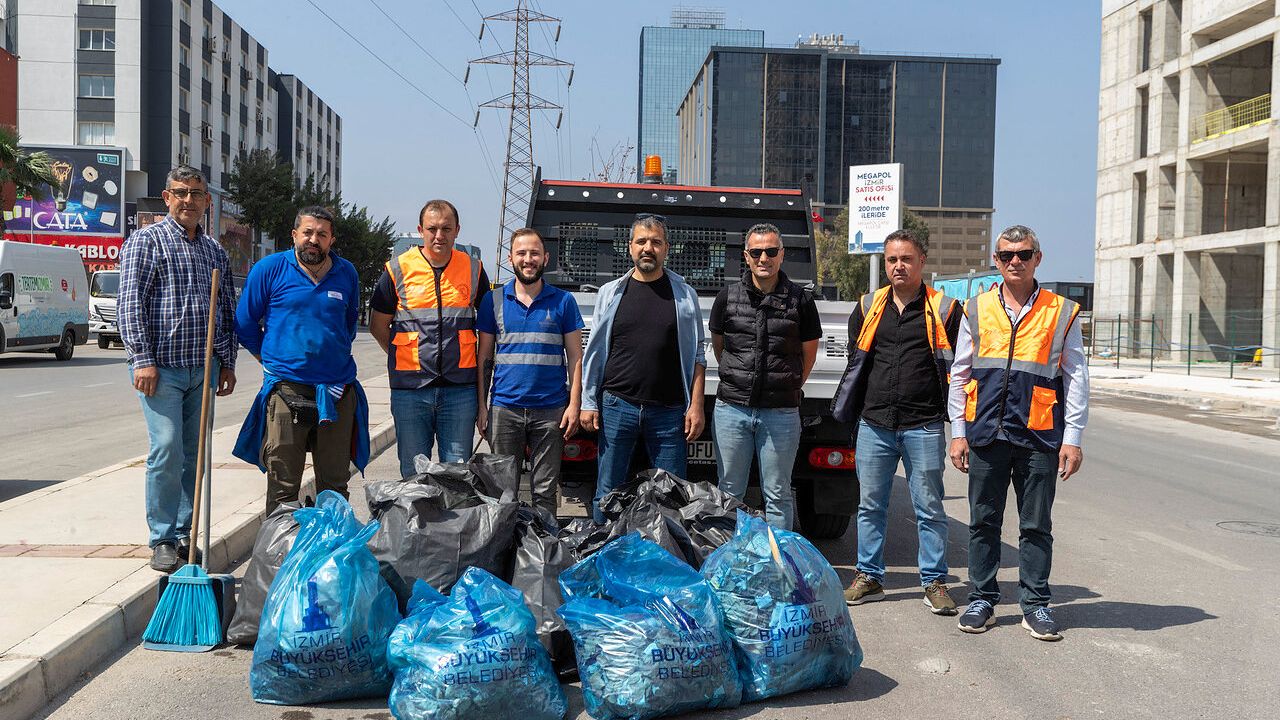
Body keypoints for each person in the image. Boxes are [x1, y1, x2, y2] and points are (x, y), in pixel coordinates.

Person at [948, 224, 1088, 641]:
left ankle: (1035, 605)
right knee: (983, 522)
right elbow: (960, 373)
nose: (1015, 261)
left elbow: (1076, 376)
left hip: (1040, 436)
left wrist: (1073, 438)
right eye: (1007, 254)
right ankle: (982, 599)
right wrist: (958, 431)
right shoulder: (975, 308)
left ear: (1037, 259)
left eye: (1023, 254)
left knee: (1036, 525)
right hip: (987, 431)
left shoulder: (1061, 311)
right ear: (996, 259)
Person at [830, 229, 962, 614]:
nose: (898, 266)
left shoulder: (946, 309)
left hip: (923, 425)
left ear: (922, 261)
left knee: (929, 508)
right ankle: (869, 577)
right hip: (875, 423)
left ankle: (934, 582)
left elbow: (961, 367)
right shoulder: (869, 304)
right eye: (892, 259)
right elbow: (858, 361)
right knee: (870, 506)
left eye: (906, 259)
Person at [118, 165, 237, 573]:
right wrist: (142, 359)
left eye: (196, 193)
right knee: (166, 449)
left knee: (195, 455)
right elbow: (130, 303)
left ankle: (187, 533)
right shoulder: (145, 242)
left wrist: (228, 362)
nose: (189, 200)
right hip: (162, 371)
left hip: (203, 368)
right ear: (167, 197)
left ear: (207, 201)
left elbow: (225, 311)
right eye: (181, 192)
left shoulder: (215, 252)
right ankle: (162, 538)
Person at [232, 206, 370, 513]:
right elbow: (244, 324)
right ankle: (281, 555)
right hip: (286, 392)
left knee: (334, 487)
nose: (314, 239)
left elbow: (348, 327)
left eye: (322, 234)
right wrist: (271, 361)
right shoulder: (269, 269)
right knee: (283, 486)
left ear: (332, 239)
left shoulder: (346, 273)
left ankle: (330, 555)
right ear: (295, 235)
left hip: (337, 392)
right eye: (307, 232)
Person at [579, 213, 706, 523]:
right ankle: (604, 555)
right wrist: (588, 401)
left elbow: (698, 355)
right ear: (630, 247)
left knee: (671, 494)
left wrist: (697, 405)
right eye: (642, 241)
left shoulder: (684, 295)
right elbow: (595, 352)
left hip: (668, 411)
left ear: (667, 249)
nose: (648, 248)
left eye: (656, 242)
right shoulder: (610, 293)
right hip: (616, 405)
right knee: (608, 490)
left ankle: (666, 561)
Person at [709, 223, 820, 530]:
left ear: (781, 255)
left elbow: (808, 353)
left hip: (781, 412)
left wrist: (789, 383)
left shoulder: (801, 301)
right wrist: (741, 378)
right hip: (732, 409)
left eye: (771, 251)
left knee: (778, 494)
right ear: (746, 256)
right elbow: (721, 348)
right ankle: (728, 564)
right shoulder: (726, 298)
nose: (763, 258)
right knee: (729, 491)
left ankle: (778, 568)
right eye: (756, 252)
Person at [368, 199, 490, 477]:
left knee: (457, 473)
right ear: (420, 229)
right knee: (413, 472)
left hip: (460, 390)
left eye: (446, 228)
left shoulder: (474, 269)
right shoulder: (397, 269)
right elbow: (378, 325)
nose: (439, 235)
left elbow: (488, 331)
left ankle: (452, 522)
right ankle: (416, 522)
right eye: (432, 228)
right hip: (410, 390)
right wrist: (402, 354)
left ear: (457, 230)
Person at [475, 228, 585, 518]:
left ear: (545, 258)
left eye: (534, 253)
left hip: (550, 411)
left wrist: (575, 405)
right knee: (501, 491)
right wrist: (482, 407)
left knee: (545, 492)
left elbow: (575, 356)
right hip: (504, 410)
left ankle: (545, 553)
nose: (528, 259)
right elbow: (484, 357)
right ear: (511, 258)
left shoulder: (563, 302)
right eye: (522, 253)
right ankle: (503, 553)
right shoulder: (493, 301)